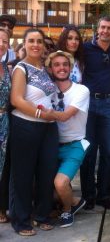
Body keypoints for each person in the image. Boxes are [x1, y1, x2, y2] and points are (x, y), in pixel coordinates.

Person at [9, 28, 58, 236]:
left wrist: (50, 117)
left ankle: (42, 214)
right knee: (23, 175)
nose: (36, 45)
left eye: (39, 41)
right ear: (24, 44)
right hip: (25, 127)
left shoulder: (44, 70)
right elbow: (17, 100)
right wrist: (42, 115)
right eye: (31, 41)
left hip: (48, 129)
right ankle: (20, 220)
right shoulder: (21, 68)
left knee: (46, 173)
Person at [80, 15, 110, 210]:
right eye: (103, 27)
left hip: (109, 103)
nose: (105, 31)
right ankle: (88, 195)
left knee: (107, 151)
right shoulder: (85, 49)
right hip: (89, 104)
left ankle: (104, 194)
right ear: (98, 29)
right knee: (88, 151)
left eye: (109, 28)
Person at [45, 50, 90, 227]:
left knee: (60, 183)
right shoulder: (48, 90)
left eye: (65, 64)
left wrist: (42, 112)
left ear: (70, 67)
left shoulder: (81, 90)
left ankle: (66, 209)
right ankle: (75, 201)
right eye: (56, 64)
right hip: (51, 145)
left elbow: (65, 116)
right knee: (49, 188)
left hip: (74, 145)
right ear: (50, 69)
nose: (61, 68)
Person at [0, 28, 11, 224]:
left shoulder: (8, 69)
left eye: (4, 41)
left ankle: (2, 208)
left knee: (4, 168)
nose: (1, 44)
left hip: (6, 122)